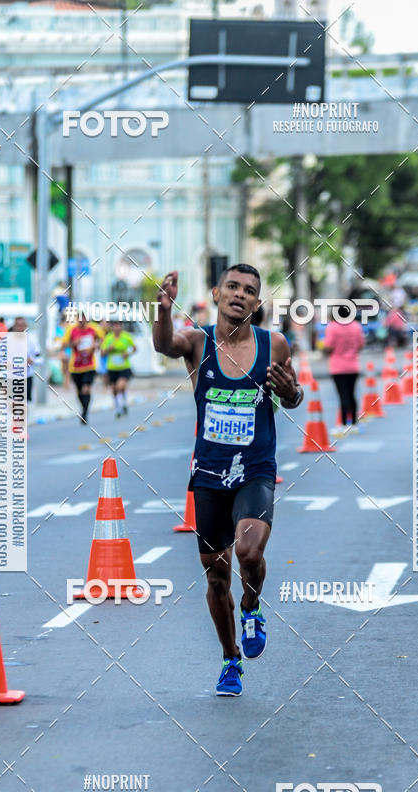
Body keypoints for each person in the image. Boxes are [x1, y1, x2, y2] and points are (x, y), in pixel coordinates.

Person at [153, 265, 304, 697]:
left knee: (249, 551)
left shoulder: (273, 344)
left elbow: (293, 396)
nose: (240, 294)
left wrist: (290, 393)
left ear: (257, 303)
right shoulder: (197, 342)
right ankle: (230, 658)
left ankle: (252, 606)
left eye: (249, 291)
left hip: (255, 468)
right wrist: (163, 309)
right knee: (217, 577)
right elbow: (164, 345)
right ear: (217, 293)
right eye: (232, 287)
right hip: (210, 473)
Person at [324, 305, 365, 435]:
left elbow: (328, 346)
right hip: (353, 366)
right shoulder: (356, 326)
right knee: (352, 395)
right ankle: (354, 423)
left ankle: (343, 424)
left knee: (343, 396)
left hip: (338, 367)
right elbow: (361, 345)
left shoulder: (332, 327)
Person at [61, 315, 104, 424]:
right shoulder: (71, 329)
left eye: (84, 319)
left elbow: (102, 339)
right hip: (75, 366)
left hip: (90, 365)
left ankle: (85, 412)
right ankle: (84, 408)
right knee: (79, 391)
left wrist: (96, 344)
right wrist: (74, 343)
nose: (82, 321)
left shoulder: (93, 328)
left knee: (86, 389)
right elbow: (64, 344)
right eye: (79, 319)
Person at [101, 320, 137, 416]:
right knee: (114, 390)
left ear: (121, 327)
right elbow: (102, 353)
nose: (117, 328)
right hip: (112, 367)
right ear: (112, 327)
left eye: (119, 326)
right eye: (115, 326)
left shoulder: (126, 336)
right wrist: (109, 349)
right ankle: (119, 407)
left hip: (124, 367)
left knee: (120, 386)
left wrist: (128, 353)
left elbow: (135, 348)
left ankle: (123, 403)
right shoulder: (108, 338)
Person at [9, 316, 42, 403]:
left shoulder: (32, 340)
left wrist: (32, 361)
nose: (20, 328)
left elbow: (40, 359)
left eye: (22, 325)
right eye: (18, 326)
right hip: (11, 377)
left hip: (27, 377)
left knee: (25, 403)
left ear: (26, 326)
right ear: (14, 327)